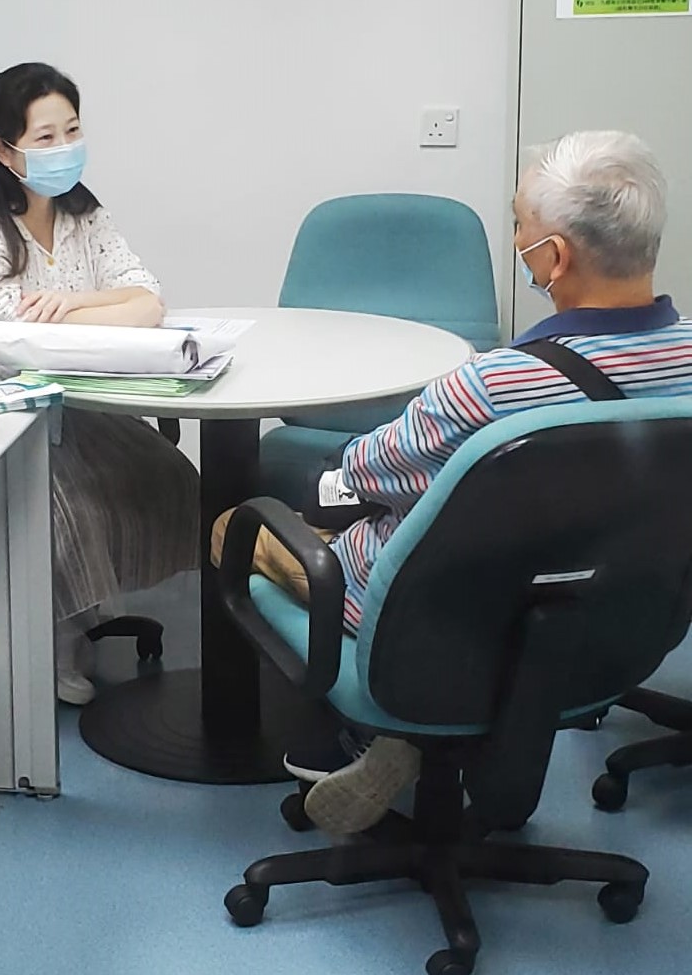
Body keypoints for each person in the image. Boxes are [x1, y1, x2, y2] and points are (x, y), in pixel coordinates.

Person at [214, 129, 692, 835]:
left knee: (239, 527)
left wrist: (326, 492)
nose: (515, 238)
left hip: (427, 629)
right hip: (605, 636)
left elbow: (362, 475)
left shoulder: (489, 388)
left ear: (551, 257)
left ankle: (361, 730)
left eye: (518, 224)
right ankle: (410, 737)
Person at [0, 63, 199, 704]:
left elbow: (149, 300)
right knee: (73, 505)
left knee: (171, 477)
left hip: (87, 403)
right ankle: (52, 641)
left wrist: (69, 305)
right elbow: (9, 332)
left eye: (71, 131)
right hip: (14, 415)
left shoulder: (84, 211)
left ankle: (85, 603)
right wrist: (96, 307)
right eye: (44, 138)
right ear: (3, 148)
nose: (64, 148)